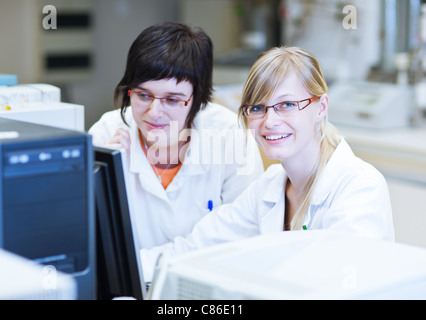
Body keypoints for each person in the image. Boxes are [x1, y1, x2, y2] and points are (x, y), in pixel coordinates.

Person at [140, 46, 395, 282]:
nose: (270, 121)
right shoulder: (269, 188)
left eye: (286, 105)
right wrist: (117, 270)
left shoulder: (359, 187)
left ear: (321, 107)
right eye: (258, 108)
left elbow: (337, 286)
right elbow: (194, 249)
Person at [88, 22, 264, 250]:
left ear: (198, 99)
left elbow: (244, 235)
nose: (154, 112)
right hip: (129, 286)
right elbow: (79, 237)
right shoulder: (105, 134)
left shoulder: (229, 136)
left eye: (172, 100)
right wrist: (98, 179)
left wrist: (148, 263)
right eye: (143, 95)